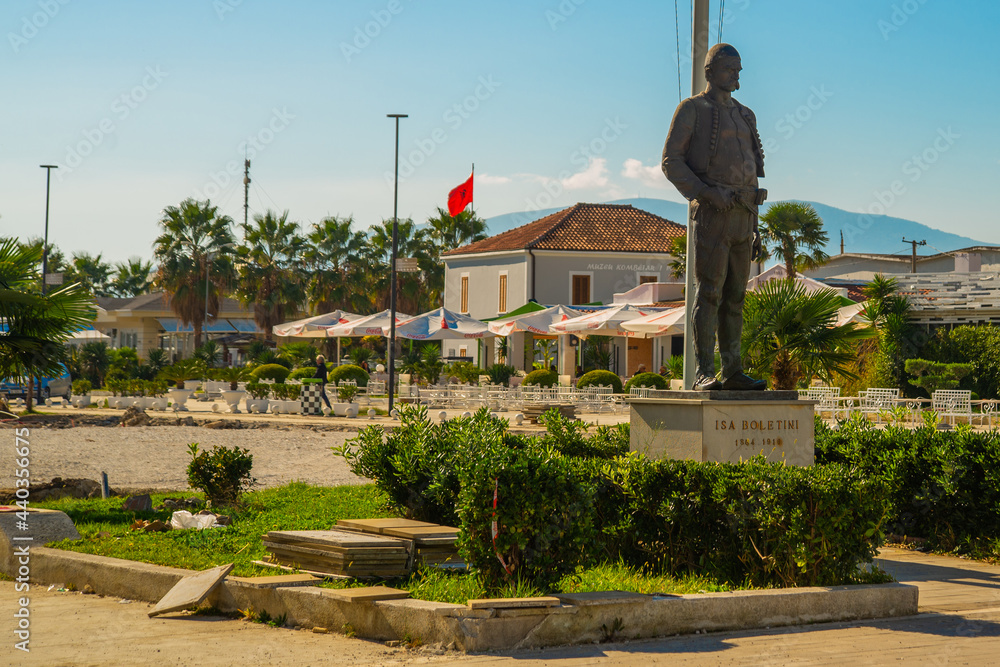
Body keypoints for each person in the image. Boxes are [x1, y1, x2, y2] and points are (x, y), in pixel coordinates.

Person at [662, 42, 767, 392]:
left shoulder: (746, 114)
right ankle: (704, 371)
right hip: (712, 212)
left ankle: (733, 369)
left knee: (736, 296)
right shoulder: (692, 109)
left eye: (739, 69)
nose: (736, 75)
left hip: (744, 214)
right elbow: (671, 162)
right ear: (709, 71)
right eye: (729, 69)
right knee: (709, 294)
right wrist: (706, 192)